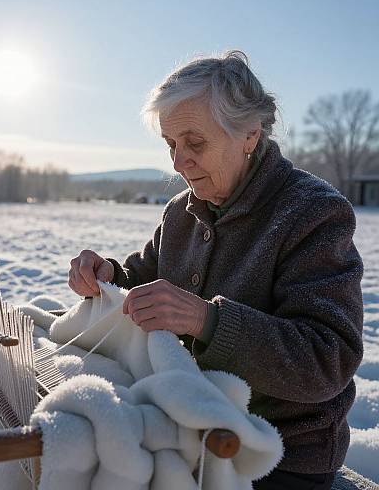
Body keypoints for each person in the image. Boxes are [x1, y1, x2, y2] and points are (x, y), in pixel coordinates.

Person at [68, 50, 364, 490]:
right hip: (184, 428)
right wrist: (107, 273)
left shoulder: (312, 212)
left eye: (195, 143)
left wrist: (207, 320)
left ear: (249, 134)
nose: (178, 162)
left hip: (274, 455)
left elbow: (327, 361)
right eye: (171, 145)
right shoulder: (181, 212)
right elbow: (146, 277)